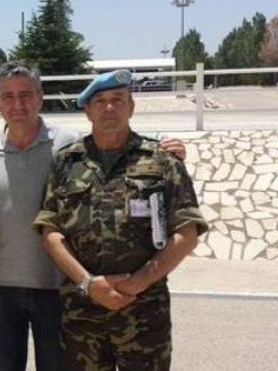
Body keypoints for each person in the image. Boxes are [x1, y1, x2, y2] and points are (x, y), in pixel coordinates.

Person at [0, 61, 186, 371]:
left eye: (26, 95)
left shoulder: (67, 144)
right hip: (1, 287)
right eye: (9, 96)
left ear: (41, 97)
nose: (18, 104)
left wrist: (166, 147)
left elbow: (112, 141)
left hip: (57, 287)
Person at [33, 69, 208, 370]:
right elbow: (51, 232)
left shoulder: (162, 160)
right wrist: (89, 284)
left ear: (132, 106)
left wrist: (135, 284)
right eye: (100, 101)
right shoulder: (66, 161)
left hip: (143, 313)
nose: (109, 107)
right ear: (87, 110)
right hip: (81, 315)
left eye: (118, 99)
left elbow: (187, 233)